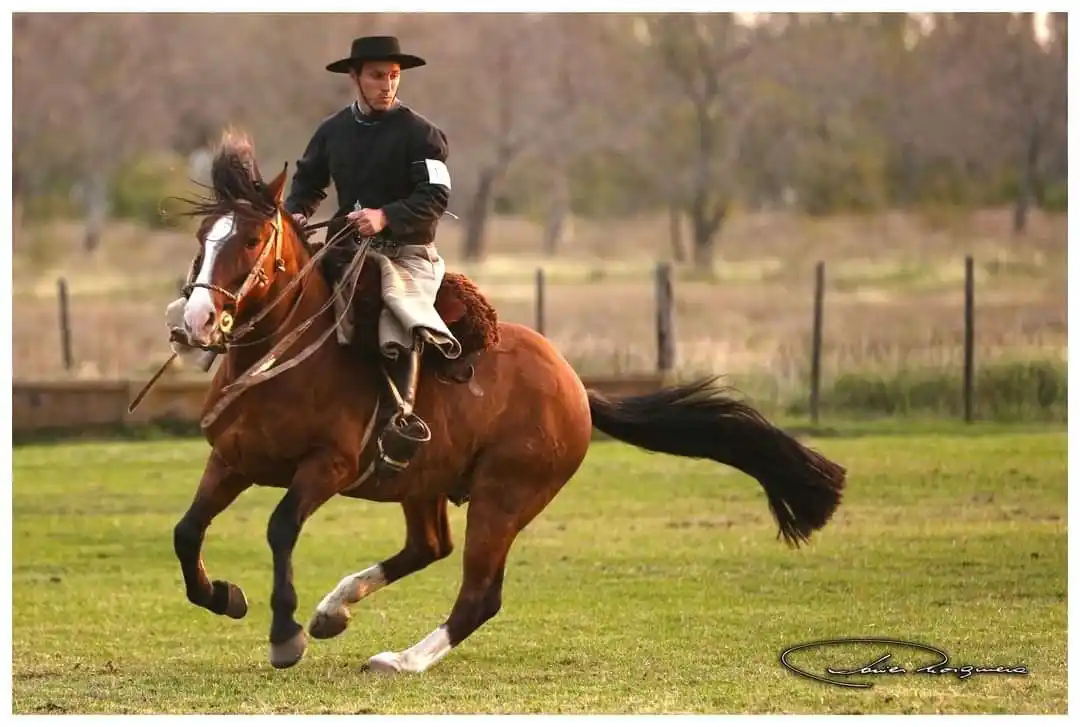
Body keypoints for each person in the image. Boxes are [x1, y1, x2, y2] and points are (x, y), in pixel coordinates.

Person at [284, 35, 462, 477]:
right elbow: (307, 186)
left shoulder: (422, 134)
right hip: (346, 248)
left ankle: (402, 421)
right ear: (355, 78)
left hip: (408, 253)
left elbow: (436, 197)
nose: (387, 85)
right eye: (377, 76)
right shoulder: (331, 131)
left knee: (398, 319)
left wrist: (385, 216)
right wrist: (297, 215)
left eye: (394, 76)